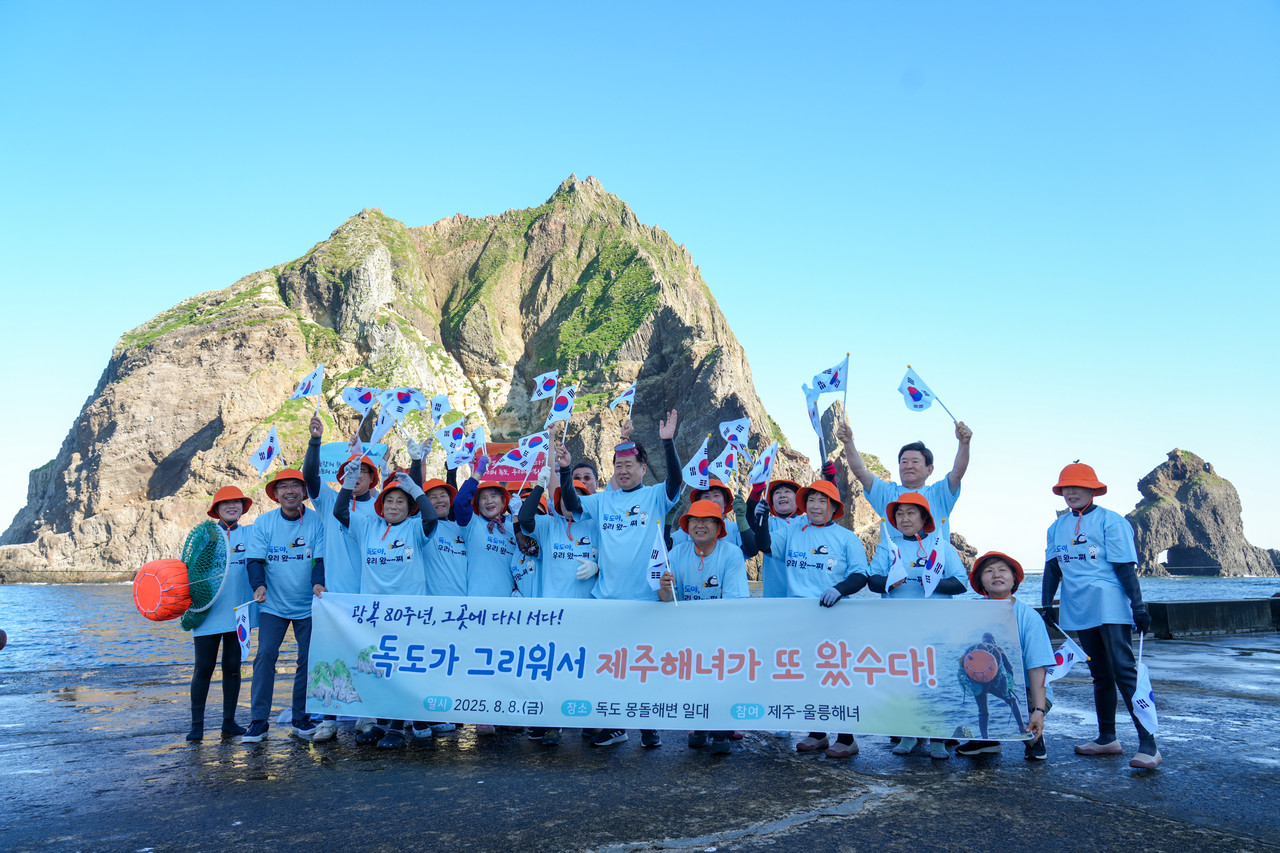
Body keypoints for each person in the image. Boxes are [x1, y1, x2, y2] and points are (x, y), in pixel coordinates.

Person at [558, 410, 684, 749]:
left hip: (645, 601)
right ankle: (614, 726)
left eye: (629, 465)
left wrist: (668, 443)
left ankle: (649, 726)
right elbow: (571, 502)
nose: (623, 470)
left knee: (644, 667)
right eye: (618, 466)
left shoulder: (655, 496)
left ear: (643, 468)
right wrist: (565, 470)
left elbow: (675, 481)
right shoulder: (603, 501)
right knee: (609, 668)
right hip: (606, 601)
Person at [1042, 463, 1160, 769]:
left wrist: (1139, 607)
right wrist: (1046, 604)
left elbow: (1125, 568)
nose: (1071, 492)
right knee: (1100, 673)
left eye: (1078, 487)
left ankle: (1149, 744)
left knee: (1124, 670)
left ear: (1092, 489)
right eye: (1066, 488)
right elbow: (1053, 568)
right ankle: (1107, 738)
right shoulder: (1056, 527)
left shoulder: (1112, 521)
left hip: (1109, 604)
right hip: (1078, 606)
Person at [750, 478, 868, 759]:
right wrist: (762, 520)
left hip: (834, 617)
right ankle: (818, 733)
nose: (815, 506)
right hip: (799, 619)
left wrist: (839, 589)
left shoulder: (847, 538)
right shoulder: (793, 530)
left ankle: (847, 738)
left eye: (822, 501)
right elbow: (766, 547)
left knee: (835, 675)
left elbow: (860, 574)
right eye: (811, 500)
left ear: (834, 506)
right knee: (809, 675)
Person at [334, 460, 437, 748]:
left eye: (400, 502)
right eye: (389, 501)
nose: (394, 506)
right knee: (378, 669)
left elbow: (431, 518)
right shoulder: (367, 526)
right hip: (375, 614)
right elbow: (339, 512)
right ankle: (380, 723)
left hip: (409, 614)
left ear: (409, 507)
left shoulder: (415, 528)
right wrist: (347, 484)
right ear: (381, 505)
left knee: (402, 671)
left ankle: (397, 728)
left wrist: (416, 490)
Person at [861, 492, 966, 760]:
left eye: (910, 513)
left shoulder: (941, 546)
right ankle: (908, 733)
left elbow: (961, 582)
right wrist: (888, 582)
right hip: (899, 628)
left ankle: (938, 739)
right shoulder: (888, 546)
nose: (904, 518)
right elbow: (872, 581)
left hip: (937, 629)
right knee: (906, 683)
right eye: (899, 514)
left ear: (924, 517)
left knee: (935, 683)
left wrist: (933, 582)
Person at [303, 416, 381, 742]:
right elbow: (309, 477)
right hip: (333, 597)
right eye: (352, 471)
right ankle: (328, 719)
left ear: (372, 478)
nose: (357, 476)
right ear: (342, 476)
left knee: (366, 657)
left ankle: (367, 715)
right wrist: (315, 441)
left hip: (369, 597)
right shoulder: (328, 502)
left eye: (363, 471)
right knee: (330, 656)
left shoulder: (383, 507)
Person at [241, 469, 326, 743]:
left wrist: (318, 583)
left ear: (304, 492)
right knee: (265, 655)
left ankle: (301, 718)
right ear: (276, 494)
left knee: (308, 659)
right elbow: (254, 560)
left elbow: (320, 560)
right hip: (273, 605)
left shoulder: (317, 521)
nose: (290, 491)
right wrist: (259, 585)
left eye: (295, 486)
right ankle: (258, 721)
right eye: (283, 487)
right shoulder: (264, 522)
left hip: (309, 605)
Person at [659, 499, 749, 756]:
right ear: (687, 526)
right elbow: (666, 599)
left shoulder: (731, 553)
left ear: (718, 526)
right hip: (688, 632)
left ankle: (721, 731)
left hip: (722, 630)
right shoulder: (676, 553)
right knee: (695, 680)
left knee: (721, 679)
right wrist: (664, 588)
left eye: (707, 520)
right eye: (694, 520)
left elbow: (734, 602)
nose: (700, 525)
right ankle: (699, 726)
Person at [956, 552, 1052, 760]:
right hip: (983, 678)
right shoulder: (969, 612)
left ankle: (1034, 738)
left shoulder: (1029, 617)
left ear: (1014, 579)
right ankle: (985, 740)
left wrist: (1038, 709)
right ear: (980, 581)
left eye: (1002, 570)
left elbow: (1037, 668)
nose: (996, 575)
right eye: (989, 571)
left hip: (1026, 687)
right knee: (970, 704)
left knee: (1016, 702)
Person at [187, 486, 256, 741]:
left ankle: (229, 722)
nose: (231, 506)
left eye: (236, 502)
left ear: (243, 507)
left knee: (233, 667)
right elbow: (191, 571)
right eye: (225, 503)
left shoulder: (250, 534)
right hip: (208, 612)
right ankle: (197, 725)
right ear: (216, 509)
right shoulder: (206, 536)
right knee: (203, 667)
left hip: (239, 613)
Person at [837, 419, 972, 544]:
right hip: (894, 562)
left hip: (934, 562)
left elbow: (957, 473)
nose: (909, 466)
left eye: (915, 462)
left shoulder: (939, 494)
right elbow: (860, 472)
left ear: (929, 469)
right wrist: (848, 442)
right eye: (904, 462)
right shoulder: (887, 493)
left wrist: (964, 444)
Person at [670, 479, 758, 558]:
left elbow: (752, 551)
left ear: (725, 502)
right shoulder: (691, 529)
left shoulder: (736, 529)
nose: (712, 500)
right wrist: (669, 516)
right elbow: (666, 546)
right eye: (706, 496)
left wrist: (741, 519)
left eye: (716, 495)